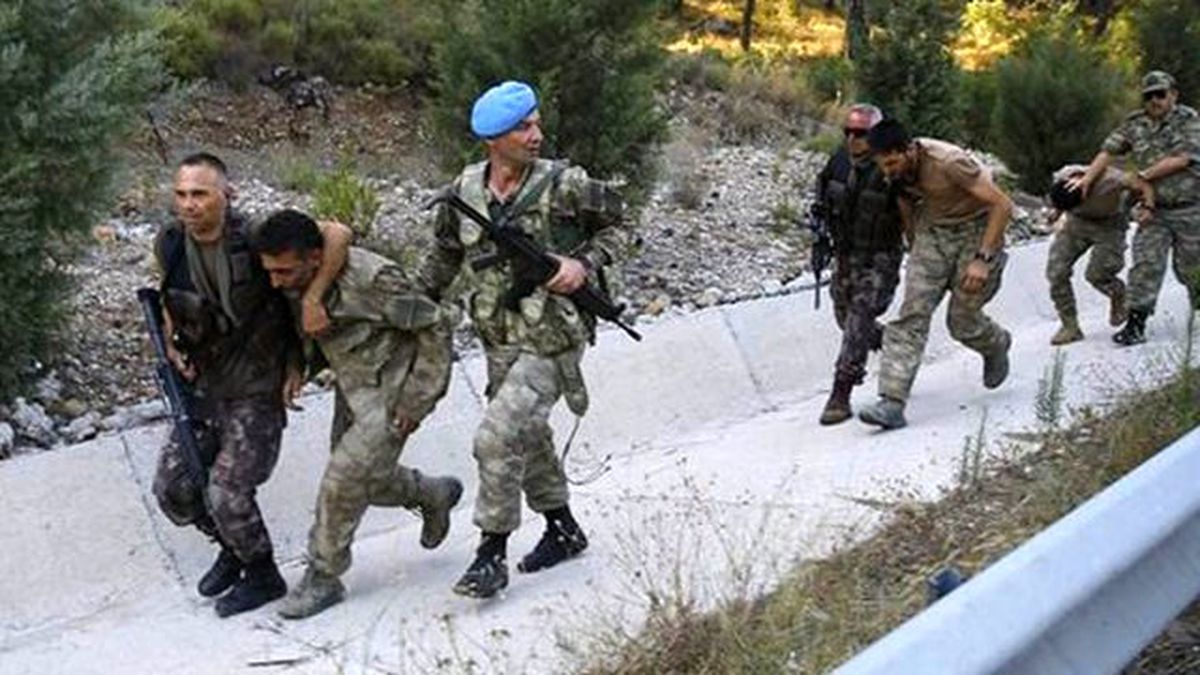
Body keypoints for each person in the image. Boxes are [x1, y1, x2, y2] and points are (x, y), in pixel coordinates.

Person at [418, 81, 630, 598]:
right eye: (523, 127)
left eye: (536, 123)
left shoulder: (567, 183)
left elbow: (623, 227)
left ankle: (491, 554)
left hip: (554, 334)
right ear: (493, 138)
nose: (536, 135)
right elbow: (443, 259)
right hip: (498, 335)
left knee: (496, 436)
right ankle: (562, 527)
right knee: (528, 436)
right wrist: (410, 306)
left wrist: (583, 265)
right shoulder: (465, 192)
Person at [151, 153, 347, 617]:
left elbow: (336, 234)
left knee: (226, 490)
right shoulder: (171, 243)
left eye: (199, 194)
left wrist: (309, 321)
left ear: (226, 194)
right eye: (181, 195)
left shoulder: (256, 237)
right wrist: (170, 345)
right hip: (204, 384)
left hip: (258, 384)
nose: (189, 205)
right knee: (172, 488)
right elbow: (166, 298)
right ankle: (233, 548)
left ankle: (262, 573)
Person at [250, 209, 464, 619]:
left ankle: (323, 577)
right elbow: (309, 327)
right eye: (271, 272)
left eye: (284, 272)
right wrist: (298, 367)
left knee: (343, 480)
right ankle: (433, 494)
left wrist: (417, 400)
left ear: (315, 258)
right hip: (354, 386)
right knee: (366, 481)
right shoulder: (297, 278)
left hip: (393, 388)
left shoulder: (372, 280)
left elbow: (435, 329)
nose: (276, 281)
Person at [856, 119, 1015, 431]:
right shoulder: (894, 170)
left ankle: (995, 343)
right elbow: (904, 198)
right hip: (933, 232)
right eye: (882, 164)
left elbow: (1002, 205)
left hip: (977, 230)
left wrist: (982, 260)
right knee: (911, 314)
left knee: (962, 322)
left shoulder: (949, 163)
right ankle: (892, 401)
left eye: (892, 162)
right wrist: (915, 243)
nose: (887, 170)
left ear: (910, 150)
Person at [1069, 70, 1200, 346]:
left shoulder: (1188, 120)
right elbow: (1108, 150)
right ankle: (1136, 323)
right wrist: (1088, 179)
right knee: (1145, 265)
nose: (1155, 100)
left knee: (1191, 268)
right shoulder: (1135, 124)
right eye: (1149, 96)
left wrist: (1143, 175)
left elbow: (1183, 158)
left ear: (1173, 95)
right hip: (1155, 210)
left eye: (1161, 94)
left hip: (1190, 208)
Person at [812, 103, 904, 425]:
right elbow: (821, 198)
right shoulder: (837, 163)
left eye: (861, 134)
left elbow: (913, 209)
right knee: (845, 317)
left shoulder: (892, 167)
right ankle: (896, 343)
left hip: (880, 256)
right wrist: (819, 230)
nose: (853, 140)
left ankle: (841, 392)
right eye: (848, 132)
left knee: (860, 314)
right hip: (846, 255)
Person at [1044, 165, 1131, 345]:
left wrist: (1147, 206)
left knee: (1097, 275)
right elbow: (1061, 197)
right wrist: (1058, 211)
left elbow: (1139, 183)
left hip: (1110, 227)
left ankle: (1119, 294)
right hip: (1077, 225)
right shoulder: (1063, 176)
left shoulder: (1111, 180)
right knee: (1056, 271)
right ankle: (1070, 326)